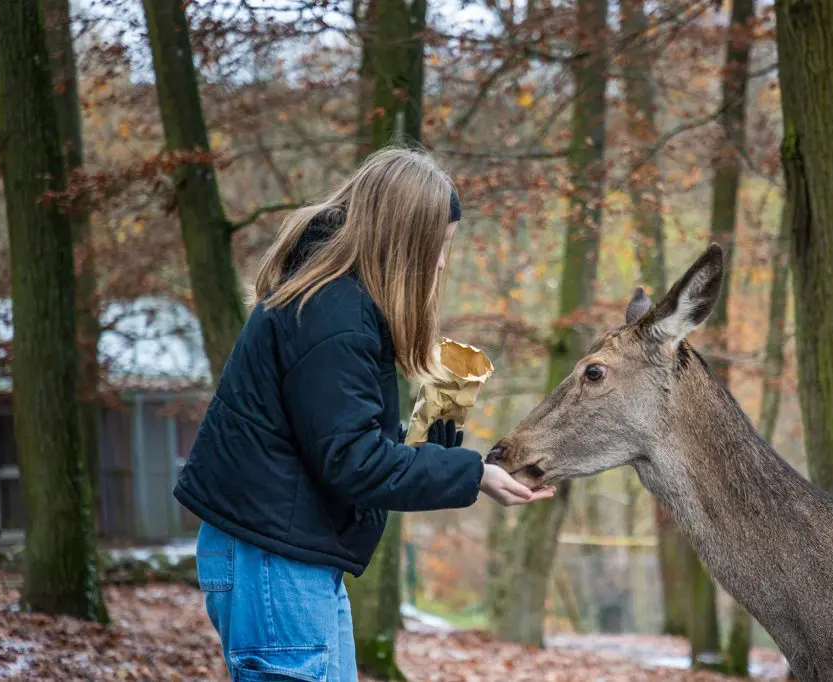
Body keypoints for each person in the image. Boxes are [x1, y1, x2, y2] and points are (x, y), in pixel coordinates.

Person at [173, 147, 555, 681]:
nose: (442, 263)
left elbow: (335, 439)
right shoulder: (335, 313)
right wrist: (473, 474)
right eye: (438, 246)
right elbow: (352, 462)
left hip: (284, 558)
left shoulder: (336, 304)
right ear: (404, 241)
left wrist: (435, 438)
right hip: (271, 564)